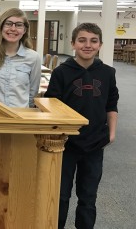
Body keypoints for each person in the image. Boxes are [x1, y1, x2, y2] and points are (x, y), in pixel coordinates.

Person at [44, 23, 119, 229]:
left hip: (95, 144)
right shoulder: (61, 72)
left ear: (100, 45)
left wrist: (111, 134)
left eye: (93, 41)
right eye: (82, 40)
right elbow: (51, 105)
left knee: (88, 197)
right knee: (60, 195)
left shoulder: (107, 73)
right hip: (66, 144)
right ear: (73, 44)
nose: (88, 45)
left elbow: (111, 106)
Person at [0, 8, 41, 107]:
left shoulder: (33, 58)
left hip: (21, 117)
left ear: (25, 30)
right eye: (8, 24)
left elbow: (32, 93)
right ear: (1, 27)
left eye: (19, 25)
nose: (13, 28)